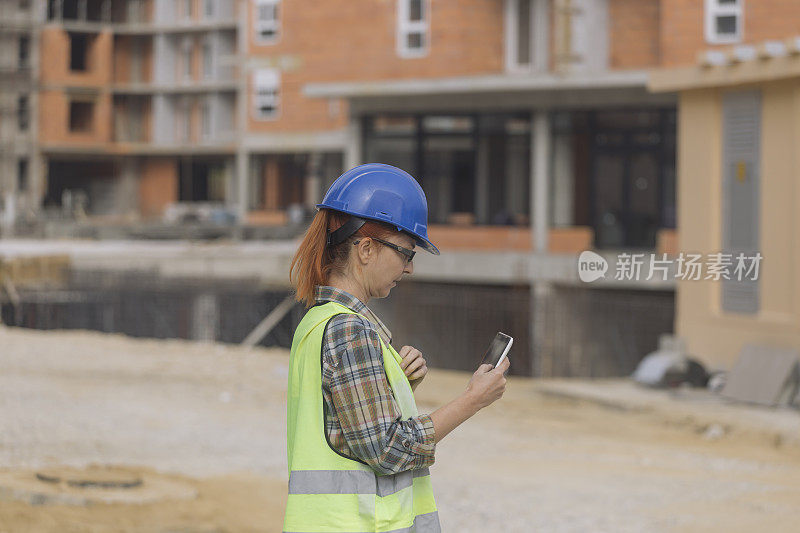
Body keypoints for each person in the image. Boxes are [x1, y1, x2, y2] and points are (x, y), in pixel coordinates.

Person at [285, 163, 510, 532]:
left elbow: (342, 430)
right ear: (367, 249)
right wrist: (474, 398)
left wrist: (393, 387)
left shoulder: (318, 321)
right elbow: (388, 451)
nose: (408, 268)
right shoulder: (349, 331)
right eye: (406, 253)